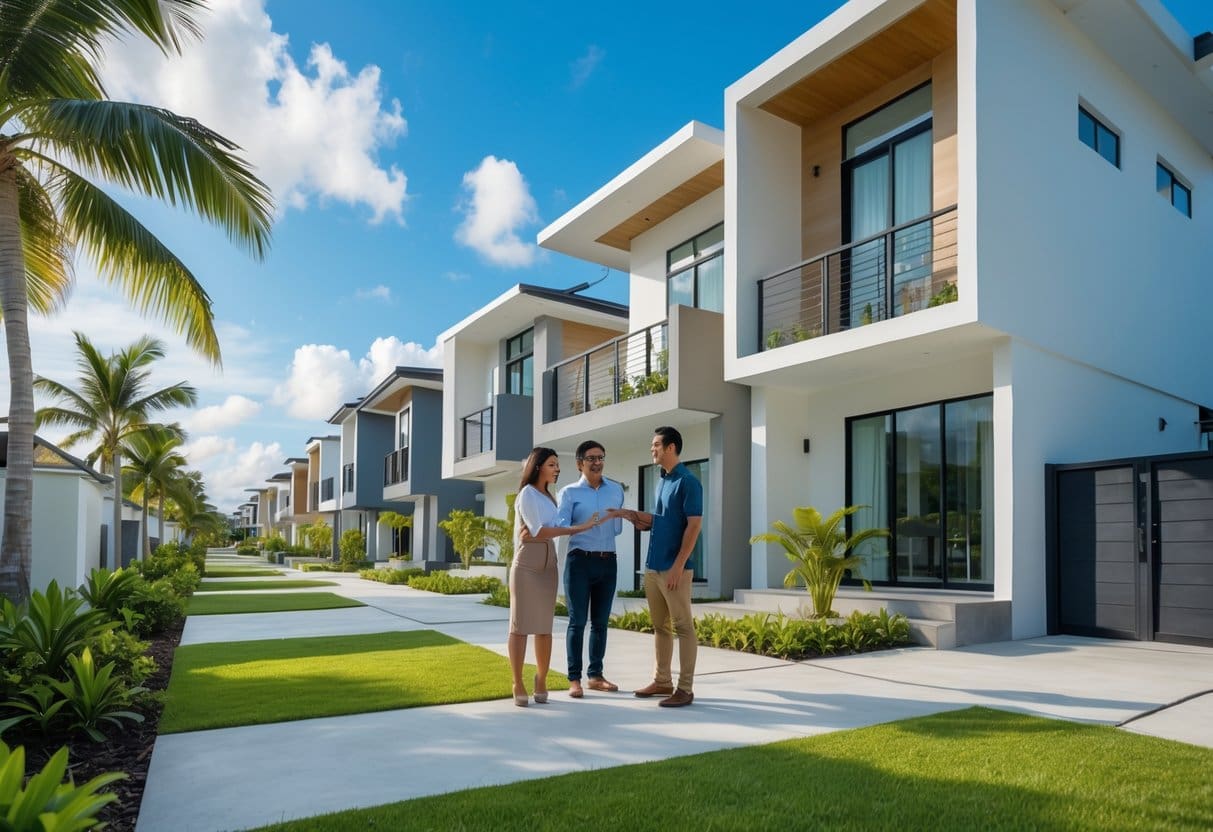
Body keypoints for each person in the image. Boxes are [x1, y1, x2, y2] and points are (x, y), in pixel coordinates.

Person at [615, 426, 702, 708]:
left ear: (671, 447)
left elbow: (694, 525)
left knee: (683, 627)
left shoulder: (688, 481)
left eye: (656, 445)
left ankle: (685, 688)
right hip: (653, 566)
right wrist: (636, 517)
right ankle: (662, 680)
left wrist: (678, 565)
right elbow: (664, 520)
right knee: (660, 627)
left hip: (674, 568)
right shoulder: (662, 480)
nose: (652, 449)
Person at [510, 447, 600, 707]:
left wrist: (550, 531)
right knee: (520, 627)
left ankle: (541, 679)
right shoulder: (527, 493)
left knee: (544, 628)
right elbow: (536, 531)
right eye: (552, 464)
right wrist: (577, 528)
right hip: (527, 565)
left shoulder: (551, 498)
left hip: (549, 564)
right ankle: (518, 682)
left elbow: (543, 531)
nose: (557, 468)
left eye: (558, 465)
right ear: (538, 466)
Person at [553, 440, 625, 699]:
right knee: (577, 622)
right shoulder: (569, 493)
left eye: (601, 457)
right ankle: (574, 679)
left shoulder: (616, 490)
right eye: (592, 458)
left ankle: (595, 676)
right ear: (579, 463)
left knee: (601, 623)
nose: (597, 462)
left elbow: (618, 525)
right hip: (579, 562)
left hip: (608, 561)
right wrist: (583, 525)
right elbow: (560, 527)